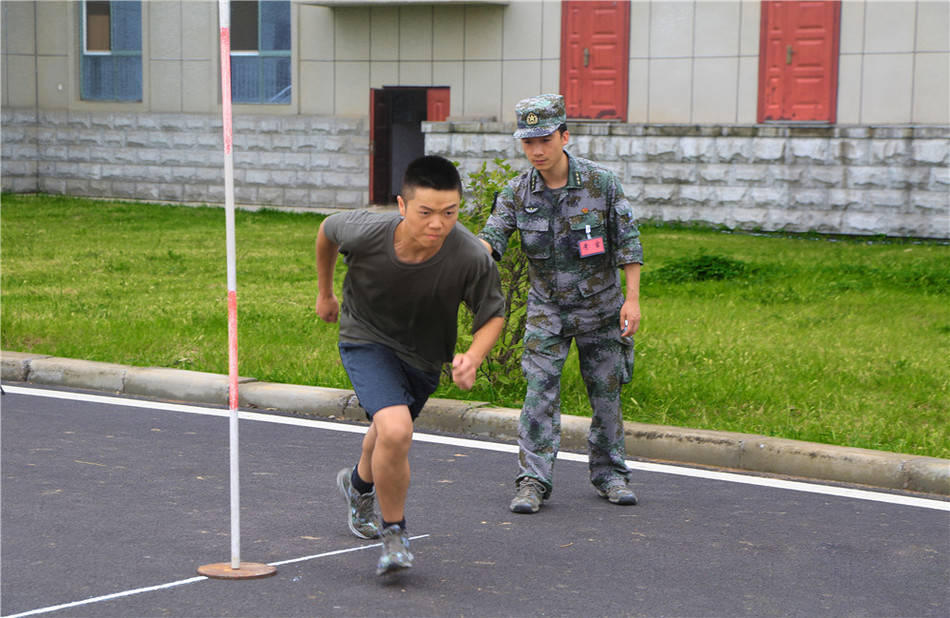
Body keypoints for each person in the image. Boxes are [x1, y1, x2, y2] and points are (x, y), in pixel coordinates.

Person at [315, 155, 506, 575]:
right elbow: (327, 231)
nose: (438, 224)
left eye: (450, 213)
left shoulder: (470, 255)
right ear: (402, 206)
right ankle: (395, 534)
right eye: (426, 212)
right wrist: (326, 293)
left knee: (386, 433)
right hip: (366, 338)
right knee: (397, 428)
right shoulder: (367, 231)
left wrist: (472, 357)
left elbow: (493, 315)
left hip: (423, 355)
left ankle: (357, 486)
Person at [478, 93, 643, 514]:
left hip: (601, 308)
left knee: (606, 393)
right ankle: (533, 480)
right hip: (547, 310)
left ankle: (611, 474)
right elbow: (492, 238)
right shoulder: (517, 192)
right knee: (539, 393)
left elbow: (628, 243)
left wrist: (633, 300)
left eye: (545, 140)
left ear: (564, 136)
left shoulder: (599, 184)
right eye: (528, 142)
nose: (536, 150)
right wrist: (464, 258)